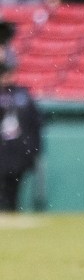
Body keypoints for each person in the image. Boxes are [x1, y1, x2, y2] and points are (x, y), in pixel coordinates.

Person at [0, 30, 41, 211]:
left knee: (13, 194)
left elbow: (34, 126)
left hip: (17, 153)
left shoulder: (23, 96)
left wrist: (32, 152)